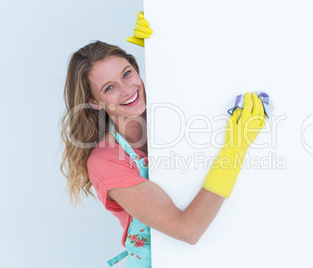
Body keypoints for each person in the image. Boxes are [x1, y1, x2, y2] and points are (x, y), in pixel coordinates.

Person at [60, 12, 266, 268]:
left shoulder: (170, 108)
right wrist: (235, 148)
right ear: (93, 102)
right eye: (109, 88)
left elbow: (212, 68)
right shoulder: (105, 161)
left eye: (127, 74)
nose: (127, 90)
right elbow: (187, 229)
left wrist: (167, 43)